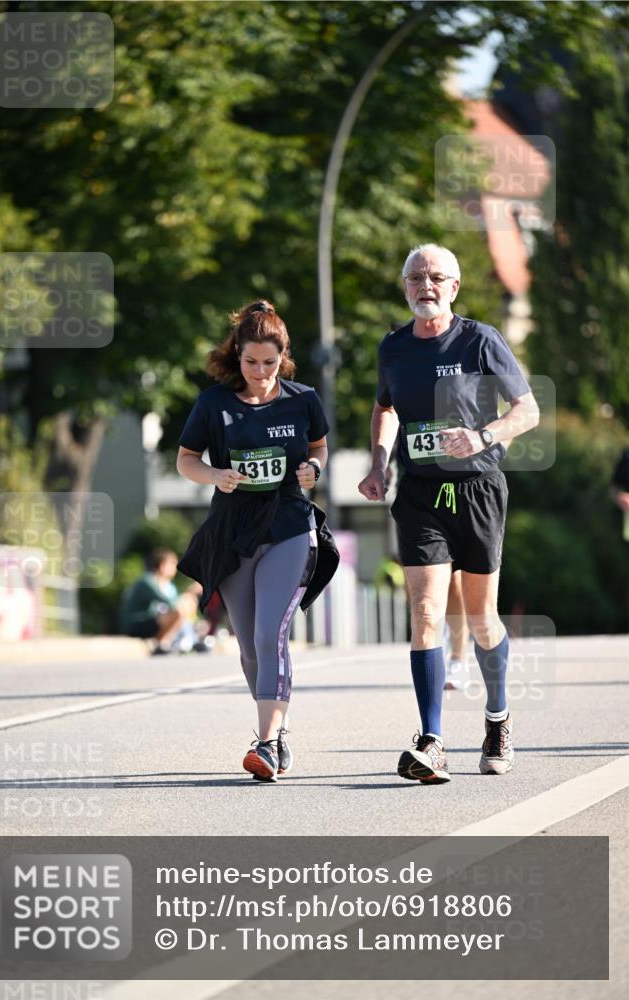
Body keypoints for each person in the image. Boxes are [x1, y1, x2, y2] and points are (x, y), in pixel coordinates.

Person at [358, 243, 539, 783]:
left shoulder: (481, 340)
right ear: (405, 287)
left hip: (479, 489)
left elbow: (527, 410)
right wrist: (379, 462)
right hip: (419, 493)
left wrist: (482, 435)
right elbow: (385, 407)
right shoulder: (393, 348)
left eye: (437, 277)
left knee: (482, 620)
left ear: (454, 288)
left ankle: (497, 719)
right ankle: (432, 739)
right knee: (426, 614)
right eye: (416, 277)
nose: (426, 285)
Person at [176, 300, 339, 782]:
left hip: (289, 527)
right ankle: (278, 732)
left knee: (273, 635)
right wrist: (214, 475)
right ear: (237, 355)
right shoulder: (213, 404)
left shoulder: (302, 399)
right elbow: (186, 459)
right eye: (251, 362)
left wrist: (315, 469)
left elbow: (319, 447)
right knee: (248, 648)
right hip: (232, 533)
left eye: (270, 363)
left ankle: (265, 743)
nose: (260, 372)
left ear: (282, 357)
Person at [119, 549, 200, 654]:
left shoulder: (167, 584)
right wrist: (189, 593)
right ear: (162, 565)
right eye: (172, 564)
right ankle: (161, 644)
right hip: (137, 623)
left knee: (185, 607)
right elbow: (171, 604)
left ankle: (186, 641)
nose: (175, 568)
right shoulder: (147, 581)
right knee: (180, 611)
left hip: (151, 621)